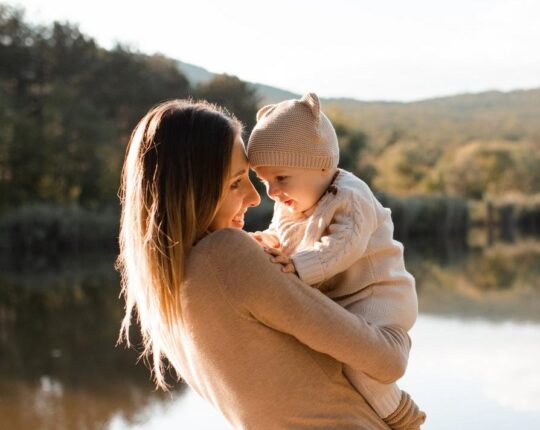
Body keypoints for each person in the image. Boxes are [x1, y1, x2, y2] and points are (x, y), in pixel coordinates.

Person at [117, 99, 419, 429]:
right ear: (191, 191)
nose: (255, 196)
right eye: (235, 182)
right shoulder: (226, 256)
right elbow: (388, 360)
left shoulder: (165, 292)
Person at [247, 93, 426, 429]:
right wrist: (265, 243)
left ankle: (403, 416)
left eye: (280, 178)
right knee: (327, 355)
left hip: (377, 295)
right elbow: (282, 235)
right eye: (264, 181)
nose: (271, 191)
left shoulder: (351, 197)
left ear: (322, 165)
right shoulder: (291, 202)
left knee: (360, 360)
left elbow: (342, 246)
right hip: (342, 299)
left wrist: (299, 266)